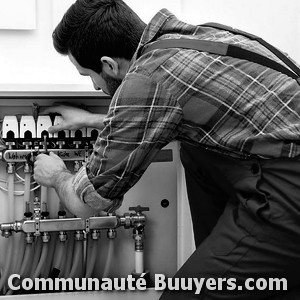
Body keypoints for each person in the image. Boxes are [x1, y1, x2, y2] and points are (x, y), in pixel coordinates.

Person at [33, 0, 300, 298]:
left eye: (89, 75)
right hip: (278, 162)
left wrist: (56, 175)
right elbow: (165, 114)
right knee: (193, 149)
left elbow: (89, 201)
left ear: (108, 64)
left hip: (287, 192)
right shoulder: (197, 38)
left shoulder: (146, 81)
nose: (95, 86)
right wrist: (96, 119)